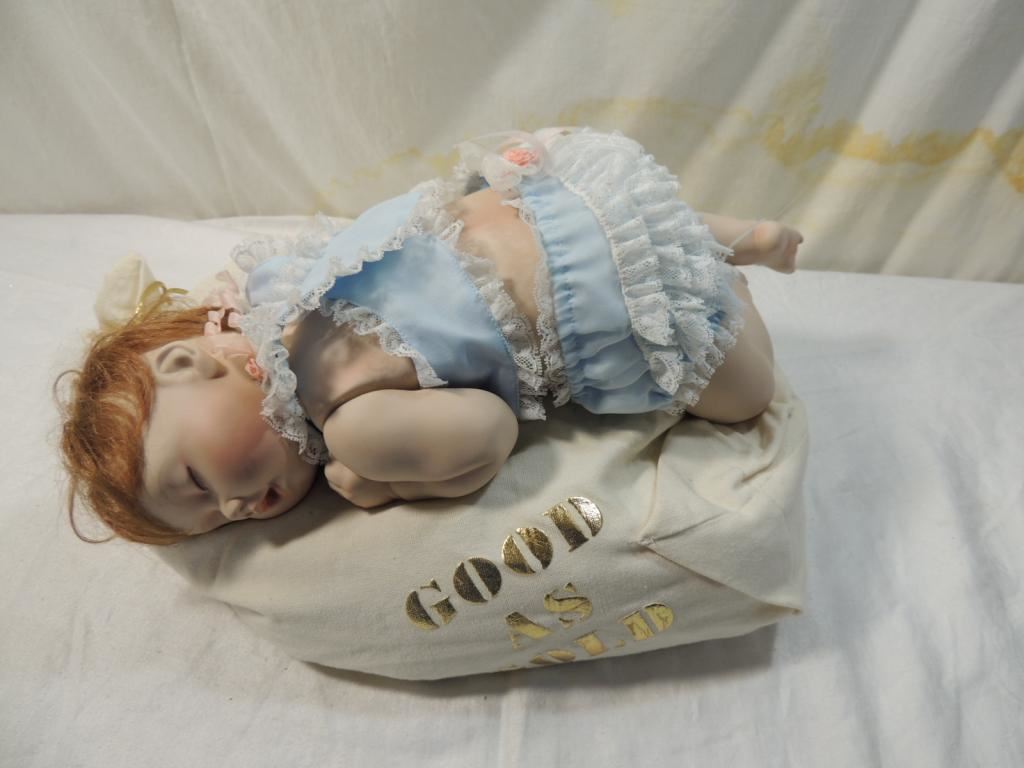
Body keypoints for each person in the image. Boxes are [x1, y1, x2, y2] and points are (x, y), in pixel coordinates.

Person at [58, 128, 802, 544]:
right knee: (650, 234)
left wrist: (386, 481)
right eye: (212, 524)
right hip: (544, 204)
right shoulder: (272, 288)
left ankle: (725, 288)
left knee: (746, 397)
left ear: (188, 360)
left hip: (591, 295)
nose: (233, 512)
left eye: (196, 483)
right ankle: (736, 238)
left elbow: (489, 434)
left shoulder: (349, 421)